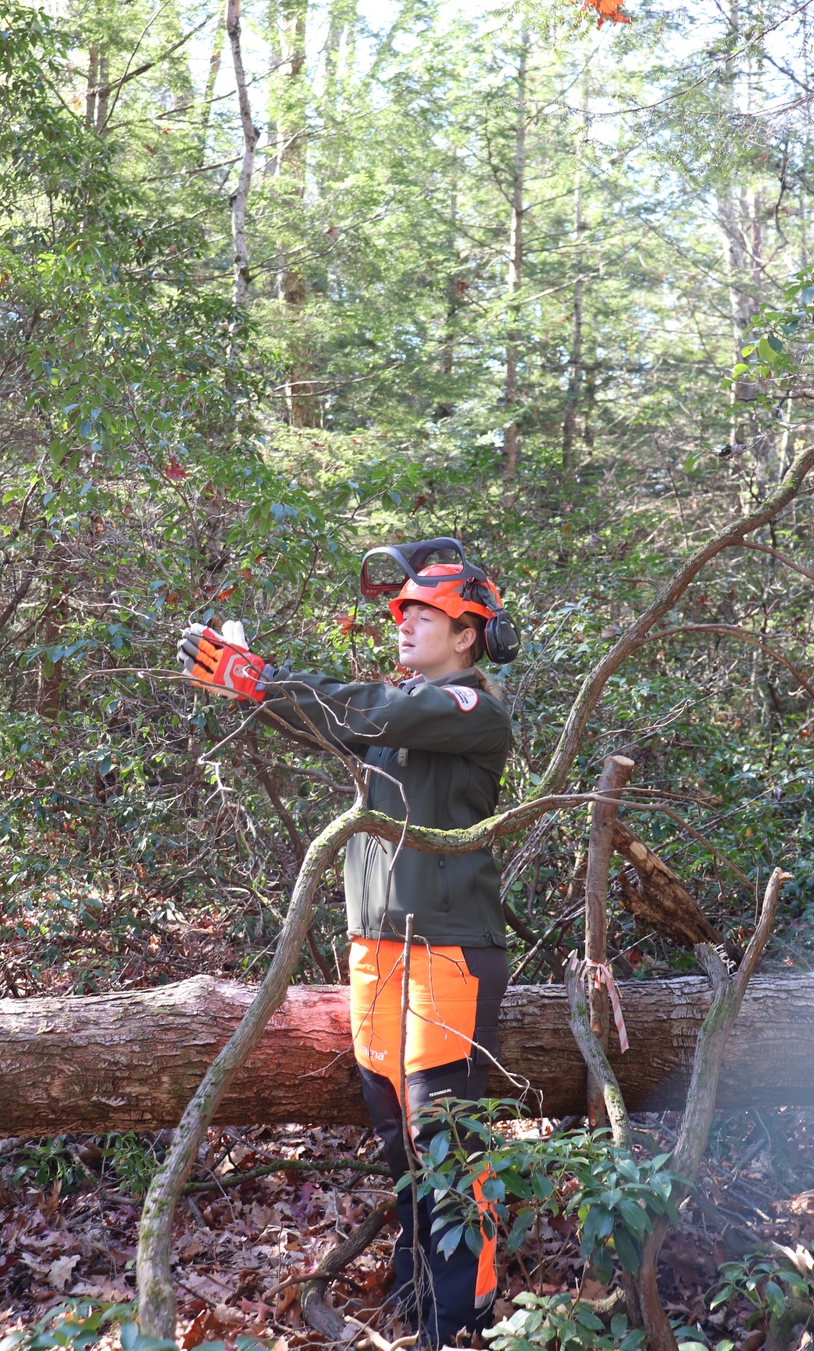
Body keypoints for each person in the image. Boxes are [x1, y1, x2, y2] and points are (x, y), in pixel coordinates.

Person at [177, 540, 519, 1348]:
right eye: (401, 614)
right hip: (376, 951)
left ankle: (461, 1325)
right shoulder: (396, 708)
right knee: (399, 1139)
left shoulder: (470, 707)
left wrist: (261, 678)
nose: (404, 626)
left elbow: (373, 711)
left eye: (423, 614)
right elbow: (347, 716)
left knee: (449, 1145)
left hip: (448, 952)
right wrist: (251, 685)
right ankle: (415, 1302)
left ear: (467, 633)